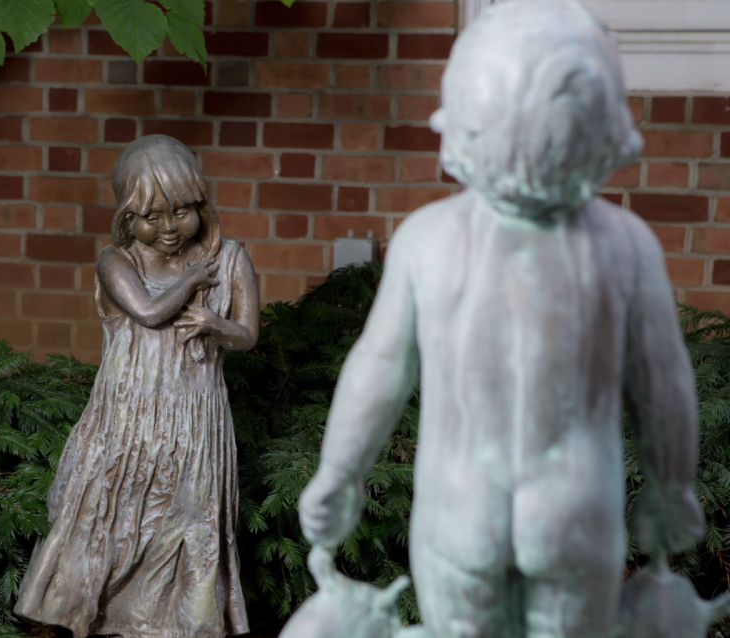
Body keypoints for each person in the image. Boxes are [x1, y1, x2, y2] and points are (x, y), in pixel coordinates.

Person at [297, 2, 705, 637]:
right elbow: (664, 385)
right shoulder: (626, 248)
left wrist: (338, 476)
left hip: (460, 514)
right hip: (573, 514)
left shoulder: (426, 241)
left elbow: (378, 371)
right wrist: (671, 487)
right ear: (603, 132)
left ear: (461, 123)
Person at [14, 135, 258, 638]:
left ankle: (182, 624)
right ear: (127, 218)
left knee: (188, 519)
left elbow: (249, 335)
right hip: (126, 422)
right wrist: (191, 284)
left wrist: (216, 323)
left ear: (201, 205)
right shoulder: (116, 261)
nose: (170, 228)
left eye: (182, 211)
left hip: (194, 421)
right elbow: (148, 313)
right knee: (108, 518)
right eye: (153, 217)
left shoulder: (232, 259)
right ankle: (81, 616)